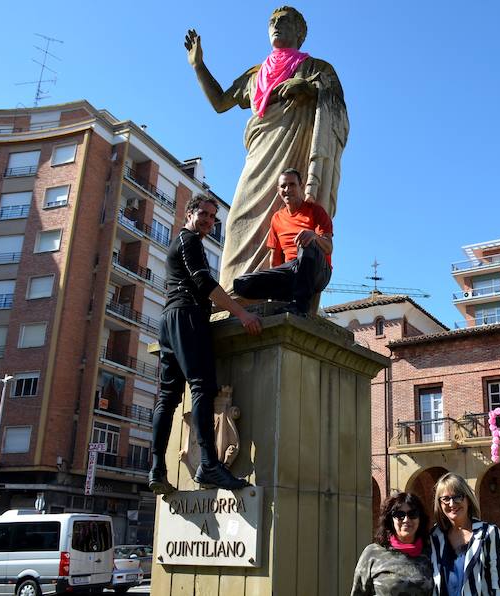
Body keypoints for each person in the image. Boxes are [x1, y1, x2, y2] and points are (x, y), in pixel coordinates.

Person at [184, 6, 348, 286]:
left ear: (300, 31)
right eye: (272, 22)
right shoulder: (256, 74)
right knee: (237, 220)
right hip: (260, 154)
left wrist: (310, 89)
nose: (275, 25)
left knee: (291, 223)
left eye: (283, 21)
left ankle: (280, 287)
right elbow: (221, 102)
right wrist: (198, 65)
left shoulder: (316, 69)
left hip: (294, 153)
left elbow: (338, 113)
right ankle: (234, 292)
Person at [148, 196, 263, 495]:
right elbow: (203, 282)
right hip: (186, 316)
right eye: (203, 214)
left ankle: (157, 468)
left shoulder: (181, 243)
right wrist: (241, 312)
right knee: (202, 387)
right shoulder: (189, 241)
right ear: (189, 213)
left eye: (213, 218)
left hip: (168, 321)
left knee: (169, 397)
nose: (208, 221)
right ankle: (209, 464)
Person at [232, 168, 332, 315]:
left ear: (301, 187)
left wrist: (314, 236)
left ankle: (300, 306)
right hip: (291, 270)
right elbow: (275, 259)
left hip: (318, 270)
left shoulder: (316, 211)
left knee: (306, 241)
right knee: (241, 284)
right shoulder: (277, 218)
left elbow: (329, 248)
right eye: (283, 186)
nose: (287, 189)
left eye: (292, 185)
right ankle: (285, 299)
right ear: (278, 190)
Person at [429, 473, 500, 595]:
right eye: (445, 499)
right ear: (439, 504)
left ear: (468, 499)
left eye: (458, 497)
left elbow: (498, 584)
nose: (452, 504)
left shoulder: (488, 533)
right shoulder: (434, 536)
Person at [350, 492, 434, 596]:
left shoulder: (431, 553)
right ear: (390, 519)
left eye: (412, 514)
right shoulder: (372, 553)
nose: (406, 520)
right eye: (399, 515)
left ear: (420, 518)